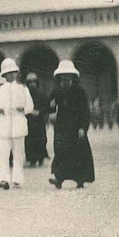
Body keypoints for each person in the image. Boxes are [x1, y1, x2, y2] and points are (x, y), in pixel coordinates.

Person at [48, 61, 96, 189]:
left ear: (72, 77)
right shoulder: (56, 91)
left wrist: (83, 128)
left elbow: (85, 111)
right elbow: (49, 106)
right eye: (63, 77)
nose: (65, 80)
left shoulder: (79, 92)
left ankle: (80, 179)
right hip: (61, 127)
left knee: (78, 154)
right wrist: (51, 109)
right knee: (60, 152)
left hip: (76, 127)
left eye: (68, 77)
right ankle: (58, 177)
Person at [0, 58, 35, 190]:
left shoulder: (22, 89)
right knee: (3, 153)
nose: (11, 75)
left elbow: (30, 106)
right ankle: (3, 179)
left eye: (12, 72)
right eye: (7, 73)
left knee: (18, 154)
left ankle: (17, 179)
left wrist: (23, 109)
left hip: (18, 123)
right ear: (4, 75)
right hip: (3, 124)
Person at [24, 73, 49, 167]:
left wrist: (39, 112)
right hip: (29, 121)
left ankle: (40, 158)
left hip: (39, 121)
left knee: (40, 140)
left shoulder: (41, 95)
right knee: (29, 140)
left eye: (33, 82)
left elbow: (46, 107)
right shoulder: (25, 95)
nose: (32, 84)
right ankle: (31, 159)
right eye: (30, 82)